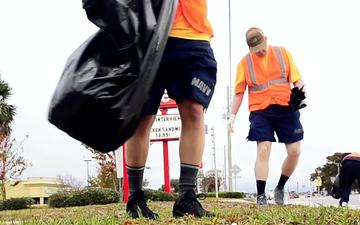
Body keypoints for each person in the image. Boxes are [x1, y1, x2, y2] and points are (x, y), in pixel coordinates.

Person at [125, 0, 217, 219]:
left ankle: (186, 195)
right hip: (147, 33)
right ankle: (135, 196)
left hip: (193, 35)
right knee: (142, 119)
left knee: (195, 110)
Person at [227, 27, 305, 205]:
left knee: (294, 152)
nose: (260, 51)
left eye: (262, 46)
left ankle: (280, 187)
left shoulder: (282, 53)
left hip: (286, 107)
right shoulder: (244, 63)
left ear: (266, 39)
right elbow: (239, 92)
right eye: (255, 49)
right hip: (260, 111)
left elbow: (297, 80)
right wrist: (232, 115)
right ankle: (261, 196)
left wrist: (301, 93)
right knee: (263, 148)